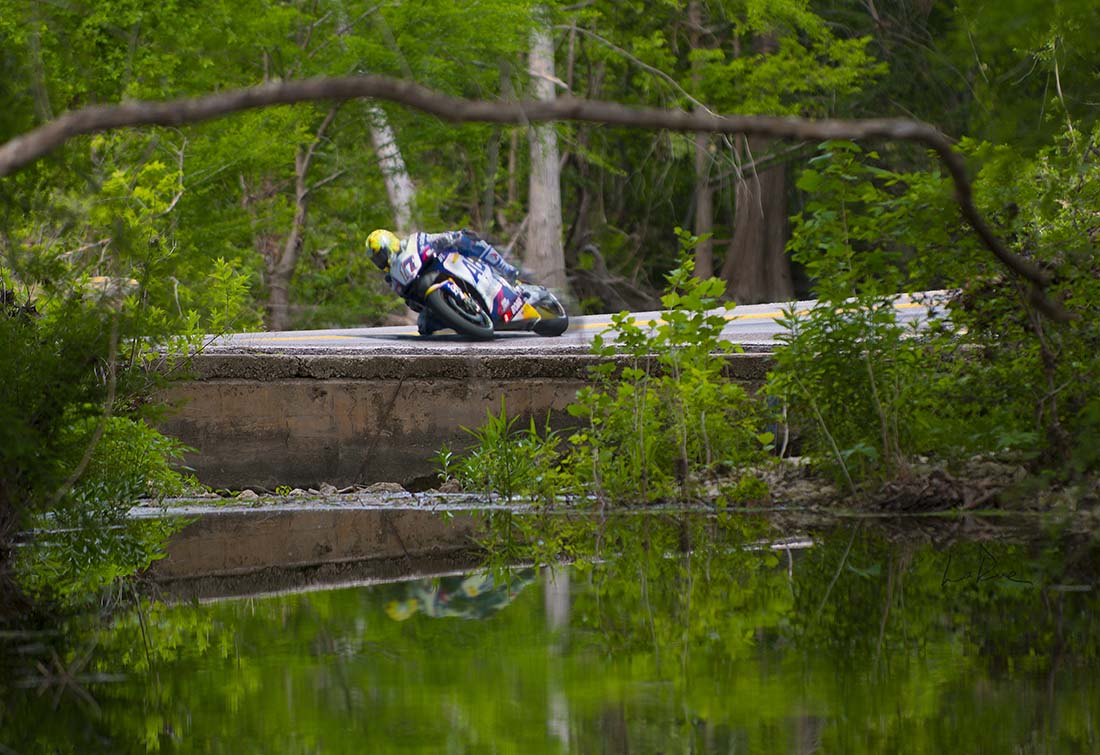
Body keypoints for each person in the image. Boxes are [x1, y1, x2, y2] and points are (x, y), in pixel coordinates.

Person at [366, 228, 524, 335]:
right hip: (432, 293)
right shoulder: (392, 279)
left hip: (447, 264)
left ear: (389, 244)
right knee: (424, 327)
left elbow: (434, 238)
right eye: (377, 260)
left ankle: (505, 268)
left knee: (467, 238)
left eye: (381, 255)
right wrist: (415, 302)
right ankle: (466, 318)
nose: (381, 262)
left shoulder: (413, 242)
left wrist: (447, 239)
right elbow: (411, 304)